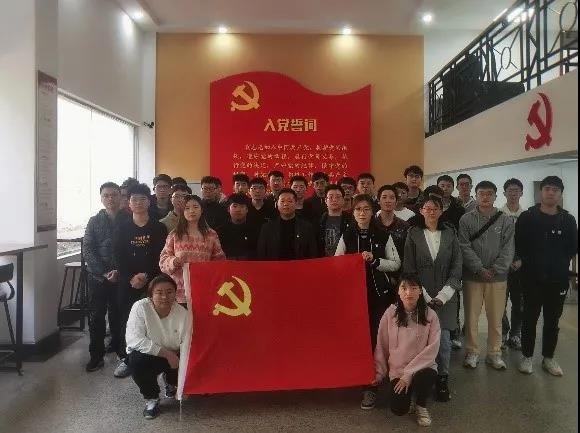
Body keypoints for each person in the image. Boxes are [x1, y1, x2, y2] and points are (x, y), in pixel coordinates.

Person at [335, 194, 401, 410]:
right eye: (358, 209)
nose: (362, 213)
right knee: (357, 339)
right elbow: (337, 263)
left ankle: (372, 385)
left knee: (376, 339)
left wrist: (375, 260)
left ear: (373, 212)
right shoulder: (347, 235)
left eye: (366, 209)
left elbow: (396, 264)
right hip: (352, 298)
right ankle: (358, 378)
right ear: (353, 213)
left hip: (378, 296)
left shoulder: (383, 235)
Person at [403, 195, 462, 402]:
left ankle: (442, 378)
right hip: (420, 296)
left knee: (444, 343)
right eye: (427, 208)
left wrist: (442, 296)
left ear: (441, 211)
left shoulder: (451, 234)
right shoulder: (413, 234)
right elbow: (409, 268)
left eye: (435, 208)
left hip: (446, 297)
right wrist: (426, 296)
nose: (431, 211)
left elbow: (457, 268)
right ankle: (420, 378)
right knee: (419, 341)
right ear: (421, 211)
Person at [517, 176, 577, 376]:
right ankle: (527, 356)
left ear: (560, 194)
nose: (551, 192)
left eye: (555, 190)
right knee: (529, 319)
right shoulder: (527, 217)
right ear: (540, 192)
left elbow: (572, 248)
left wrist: (558, 263)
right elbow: (520, 246)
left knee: (553, 321)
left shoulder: (568, 220)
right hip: (531, 279)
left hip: (557, 280)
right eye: (548, 189)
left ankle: (548, 358)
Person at [113, 183, 168, 378]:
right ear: (128, 203)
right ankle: (126, 358)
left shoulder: (159, 227)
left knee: (153, 319)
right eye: (134, 199)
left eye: (142, 199)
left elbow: (161, 255)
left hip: (153, 281)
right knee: (127, 319)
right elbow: (118, 256)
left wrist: (146, 275)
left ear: (149, 201)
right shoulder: (122, 228)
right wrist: (131, 277)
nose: (138, 203)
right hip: (128, 282)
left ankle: (155, 357)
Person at [459, 181, 514, 370]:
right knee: (471, 318)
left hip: (498, 278)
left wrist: (496, 269)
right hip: (472, 277)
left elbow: (508, 247)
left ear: (495, 196)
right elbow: (464, 246)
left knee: (496, 318)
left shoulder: (505, 220)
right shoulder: (465, 219)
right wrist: (479, 268)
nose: (485, 197)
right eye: (481, 193)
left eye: (489, 193)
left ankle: (494, 353)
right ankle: (472, 352)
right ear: (476, 196)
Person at [374, 273, 440, 426]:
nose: (409, 292)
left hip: (422, 368)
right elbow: (382, 345)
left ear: (421, 291)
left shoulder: (430, 315)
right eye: (404, 288)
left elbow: (432, 349)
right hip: (398, 371)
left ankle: (421, 404)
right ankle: (408, 396)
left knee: (427, 376)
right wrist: (379, 373)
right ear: (398, 291)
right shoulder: (390, 314)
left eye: (414, 288)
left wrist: (409, 374)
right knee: (399, 409)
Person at [125, 274, 190, 419]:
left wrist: (183, 384)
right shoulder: (140, 307)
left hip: (175, 356)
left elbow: (187, 343)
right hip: (151, 355)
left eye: (169, 292)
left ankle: (171, 382)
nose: (165, 297)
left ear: (175, 293)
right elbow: (135, 339)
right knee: (136, 360)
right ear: (151, 295)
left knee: (185, 362)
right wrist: (167, 354)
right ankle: (152, 398)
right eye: (159, 292)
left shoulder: (183, 314)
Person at [83, 182, 125, 372]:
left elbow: (131, 249)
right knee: (96, 317)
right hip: (98, 278)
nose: (110, 199)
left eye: (114, 195)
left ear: (120, 197)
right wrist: (103, 272)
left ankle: (121, 350)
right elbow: (88, 249)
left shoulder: (129, 219)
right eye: (106, 195)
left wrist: (119, 271)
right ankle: (96, 355)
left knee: (120, 315)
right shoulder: (94, 221)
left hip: (122, 277)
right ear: (101, 198)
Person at [160, 195, 226, 305]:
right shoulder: (175, 234)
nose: (191, 211)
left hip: (204, 290)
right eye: (187, 208)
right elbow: (163, 260)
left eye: (195, 207)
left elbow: (220, 261)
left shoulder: (211, 235)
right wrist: (173, 261)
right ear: (183, 211)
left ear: (201, 210)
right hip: (179, 293)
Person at [257, 188, 318, 260]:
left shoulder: (307, 227)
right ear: (277, 204)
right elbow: (261, 254)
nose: (285, 204)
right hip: (274, 266)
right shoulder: (267, 228)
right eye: (282, 201)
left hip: (300, 266)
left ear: (296, 203)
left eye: (290, 201)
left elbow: (312, 254)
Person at [500, 178, 524, 350]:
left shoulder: (527, 216)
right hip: (501, 266)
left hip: (521, 266)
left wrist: (522, 260)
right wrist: (504, 261)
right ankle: (502, 332)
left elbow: (531, 242)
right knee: (499, 303)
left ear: (521, 193)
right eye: (510, 190)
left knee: (519, 303)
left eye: (516, 190)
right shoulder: (497, 215)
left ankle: (516, 334)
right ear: (504, 193)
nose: (513, 193)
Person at [217, 193, 261, 260]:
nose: (238, 210)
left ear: (247, 210)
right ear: (228, 209)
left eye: (242, 206)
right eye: (235, 206)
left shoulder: (256, 230)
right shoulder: (220, 231)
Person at [375, 184, 409, 263]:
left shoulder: (405, 226)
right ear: (378, 201)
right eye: (384, 197)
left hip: (399, 267)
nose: (388, 201)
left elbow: (408, 252)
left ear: (396, 202)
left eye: (392, 198)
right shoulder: (371, 224)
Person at [318, 185, 353, 257]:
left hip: (345, 259)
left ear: (343, 200)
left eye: (338, 197)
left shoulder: (351, 220)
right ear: (325, 200)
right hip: (323, 260)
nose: (334, 200)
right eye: (331, 197)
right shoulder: (319, 221)